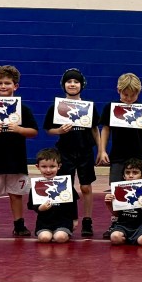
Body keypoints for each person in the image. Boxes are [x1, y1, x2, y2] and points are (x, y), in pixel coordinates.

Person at [0, 65, 39, 238]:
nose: (3, 86)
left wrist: (18, 129)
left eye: (7, 83)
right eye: (0, 83)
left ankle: (19, 225)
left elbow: (33, 132)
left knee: (16, 194)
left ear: (15, 86)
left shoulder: (23, 110)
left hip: (16, 160)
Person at [97, 72, 142, 239]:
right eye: (125, 95)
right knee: (117, 191)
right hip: (118, 156)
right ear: (118, 90)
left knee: (141, 192)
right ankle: (117, 222)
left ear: (139, 92)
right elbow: (106, 129)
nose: (129, 98)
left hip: (140, 155)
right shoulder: (111, 108)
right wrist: (102, 150)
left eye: (133, 95)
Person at [43, 68, 99, 237]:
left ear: (82, 85)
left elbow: (95, 129)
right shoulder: (57, 106)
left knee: (86, 187)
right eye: (69, 81)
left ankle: (87, 220)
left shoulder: (88, 106)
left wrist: (101, 150)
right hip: (65, 151)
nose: (72, 84)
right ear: (64, 85)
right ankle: (68, 219)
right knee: (65, 186)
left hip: (85, 151)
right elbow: (48, 129)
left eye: (76, 82)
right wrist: (59, 130)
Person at [29, 148, 79, 243]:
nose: (48, 170)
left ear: (59, 166)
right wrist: (40, 208)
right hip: (44, 222)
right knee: (44, 238)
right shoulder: (36, 186)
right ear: (37, 167)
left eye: (52, 166)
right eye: (44, 167)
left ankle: (64, 232)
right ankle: (48, 232)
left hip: (63, 222)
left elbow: (73, 203)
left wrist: (75, 219)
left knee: (60, 237)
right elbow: (31, 205)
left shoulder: (65, 185)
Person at [105, 158, 142, 246]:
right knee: (115, 238)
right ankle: (130, 237)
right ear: (123, 176)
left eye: (135, 173)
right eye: (127, 172)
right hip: (122, 225)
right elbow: (116, 214)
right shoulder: (118, 191)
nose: (130, 175)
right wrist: (108, 204)